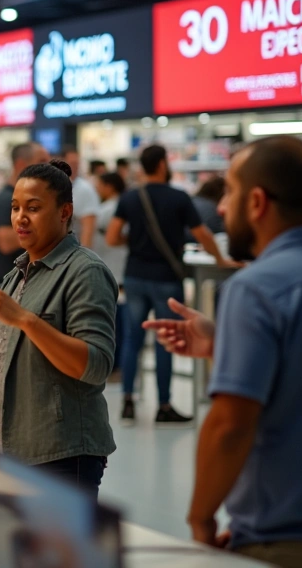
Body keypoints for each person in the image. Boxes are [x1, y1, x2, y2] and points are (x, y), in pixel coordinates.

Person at [144, 137, 302, 568]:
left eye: (229, 192)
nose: (221, 208)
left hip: (288, 538)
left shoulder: (257, 288)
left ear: (257, 202)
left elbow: (229, 426)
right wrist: (224, 344)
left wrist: (200, 518)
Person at [0, 160, 117, 495]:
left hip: (61, 455)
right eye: (15, 207)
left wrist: (25, 319)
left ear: (65, 212)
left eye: (34, 208)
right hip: (7, 449)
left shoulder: (85, 271)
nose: (20, 218)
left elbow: (95, 365)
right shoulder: (15, 275)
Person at [105, 145, 232, 426]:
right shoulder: (179, 198)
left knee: (132, 340)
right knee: (167, 340)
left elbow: (113, 237)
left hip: (135, 276)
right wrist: (221, 259)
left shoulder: (130, 197)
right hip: (166, 278)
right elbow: (204, 235)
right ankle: (164, 405)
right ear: (163, 165)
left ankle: (127, 401)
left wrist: (136, 242)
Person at [0, 142, 50, 285]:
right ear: (21, 164)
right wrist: (49, 232)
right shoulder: (3, 200)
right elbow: (5, 241)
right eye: (41, 162)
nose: (47, 167)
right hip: (9, 284)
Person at [93, 173, 129, 371]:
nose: (97, 189)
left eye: (100, 185)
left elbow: (109, 239)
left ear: (109, 186)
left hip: (113, 269)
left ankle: (115, 367)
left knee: (116, 324)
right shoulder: (115, 207)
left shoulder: (108, 209)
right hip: (118, 269)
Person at [62, 146, 100, 248]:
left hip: (74, 251)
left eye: (77, 163)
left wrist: (83, 258)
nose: (75, 167)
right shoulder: (54, 186)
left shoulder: (84, 189)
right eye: (72, 163)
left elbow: (88, 228)